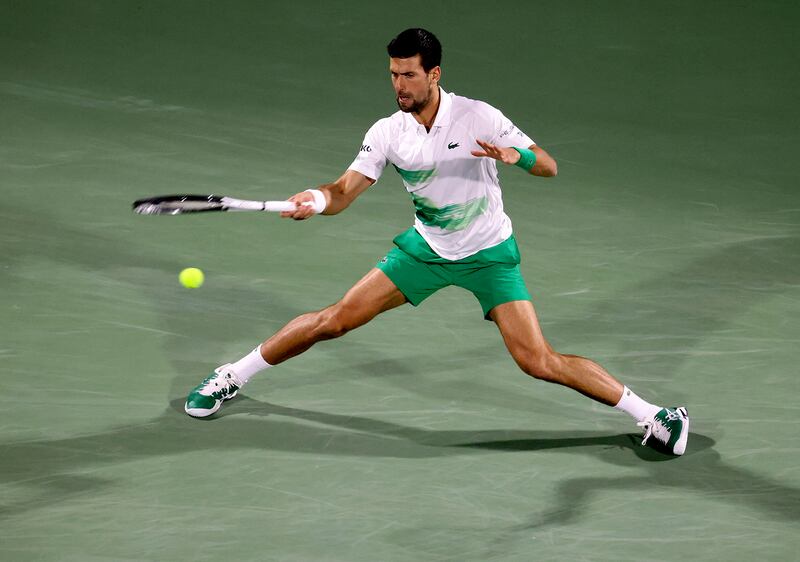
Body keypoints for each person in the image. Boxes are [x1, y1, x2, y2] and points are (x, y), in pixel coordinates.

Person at [184, 28, 689, 455]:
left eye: (408, 75)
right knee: (333, 320)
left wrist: (519, 159)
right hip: (426, 251)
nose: (398, 85)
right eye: (392, 74)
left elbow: (550, 165)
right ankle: (232, 375)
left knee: (539, 361)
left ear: (434, 74)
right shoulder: (387, 132)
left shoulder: (478, 116)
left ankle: (657, 416)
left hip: (489, 254)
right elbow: (343, 192)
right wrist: (316, 199)